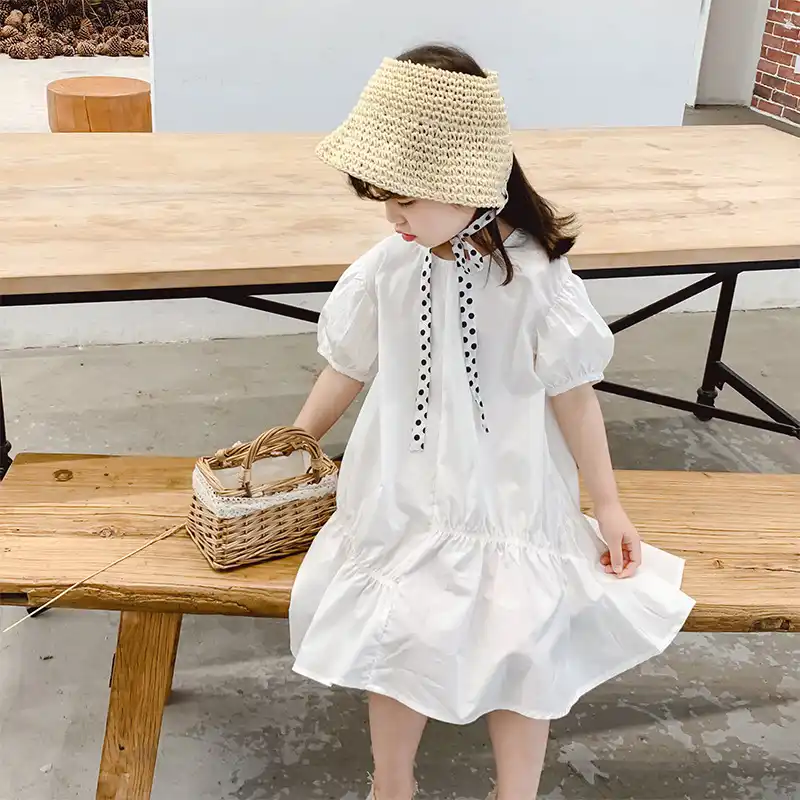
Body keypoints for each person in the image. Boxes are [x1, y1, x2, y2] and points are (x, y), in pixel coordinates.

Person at [288, 43, 695, 800]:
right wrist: (293, 444)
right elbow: (347, 366)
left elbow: (574, 396)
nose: (392, 215)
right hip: (400, 494)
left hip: (509, 497)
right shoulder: (387, 267)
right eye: (383, 198)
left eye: (406, 198)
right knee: (397, 634)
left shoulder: (538, 279)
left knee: (523, 640)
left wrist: (607, 505)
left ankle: (516, 792)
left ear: (466, 183)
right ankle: (392, 784)